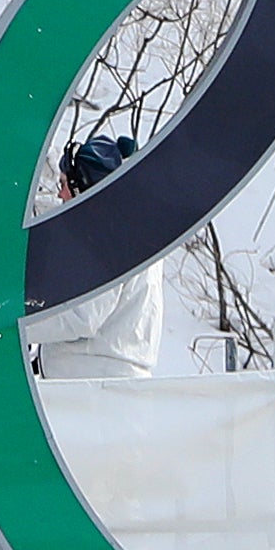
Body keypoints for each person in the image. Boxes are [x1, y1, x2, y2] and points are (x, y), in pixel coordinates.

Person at [26, 136, 164, 379]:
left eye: (64, 184)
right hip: (104, 381)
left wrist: (18, 324)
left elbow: (81, 317)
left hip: (92, 387)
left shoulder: (106, 239)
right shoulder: (130, 231)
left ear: (83, 187)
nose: (60, 195)